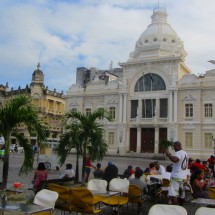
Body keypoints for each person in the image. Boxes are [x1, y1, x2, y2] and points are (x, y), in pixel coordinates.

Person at [165, 141, 188, 205]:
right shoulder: (185, 153)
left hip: (176, 176)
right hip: (183, 177)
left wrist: (169, 154)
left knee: (174, 195)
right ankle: (181, 208)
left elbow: (175, 160)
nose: (174, 148)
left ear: (178, 146)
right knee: (181, 194)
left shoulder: (178, 153)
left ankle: (176, 209)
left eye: (174, 147)